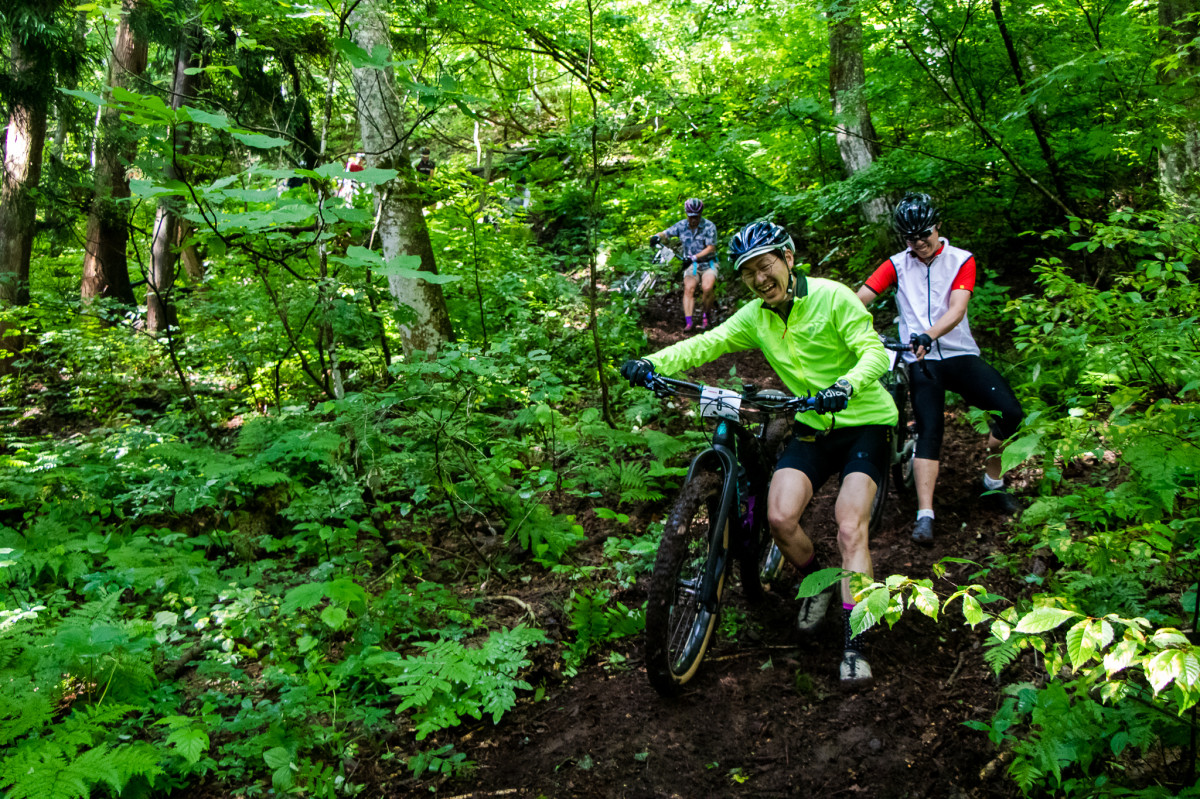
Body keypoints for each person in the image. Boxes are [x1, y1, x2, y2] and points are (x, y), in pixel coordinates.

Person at [621, 221, 898, 686]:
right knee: (779, 518)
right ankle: (823, 584)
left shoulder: (833, 297)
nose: (759, 279)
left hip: (865, 422)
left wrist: (845, 385)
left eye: (765, 266)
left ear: (788, 259)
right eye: (748, 272)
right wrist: (652, 363)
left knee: (850, 524)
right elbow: (707, 343)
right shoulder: (756, 316)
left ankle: (856, 642)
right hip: (812, 424)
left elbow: (872, 350)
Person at [856, 193, 1024, 546]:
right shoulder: (897, 264)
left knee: (1010, 412)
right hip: (921, 359)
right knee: (930, 427)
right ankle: (925, 514)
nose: (920, 244)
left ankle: (992, 482)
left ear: (938, 227)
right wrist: (856, 326)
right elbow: (858, 300)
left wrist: (929, 335)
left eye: (925, 235)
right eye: (911, 239)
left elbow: (957, 309)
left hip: (958, 352)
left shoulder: (962, 260)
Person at [650, 198, 719, 331]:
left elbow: (711, 247)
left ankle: (706, 317)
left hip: (708, 263)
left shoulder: (709, 226)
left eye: (696, 217)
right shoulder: (681, 226)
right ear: (687, 215)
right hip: (691, 266)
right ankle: (689, 322)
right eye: (691, 217)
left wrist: (694, 257)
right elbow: (665, 233)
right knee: (689, 288)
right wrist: (656, 237)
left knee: (707, 287)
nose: (693, 220)